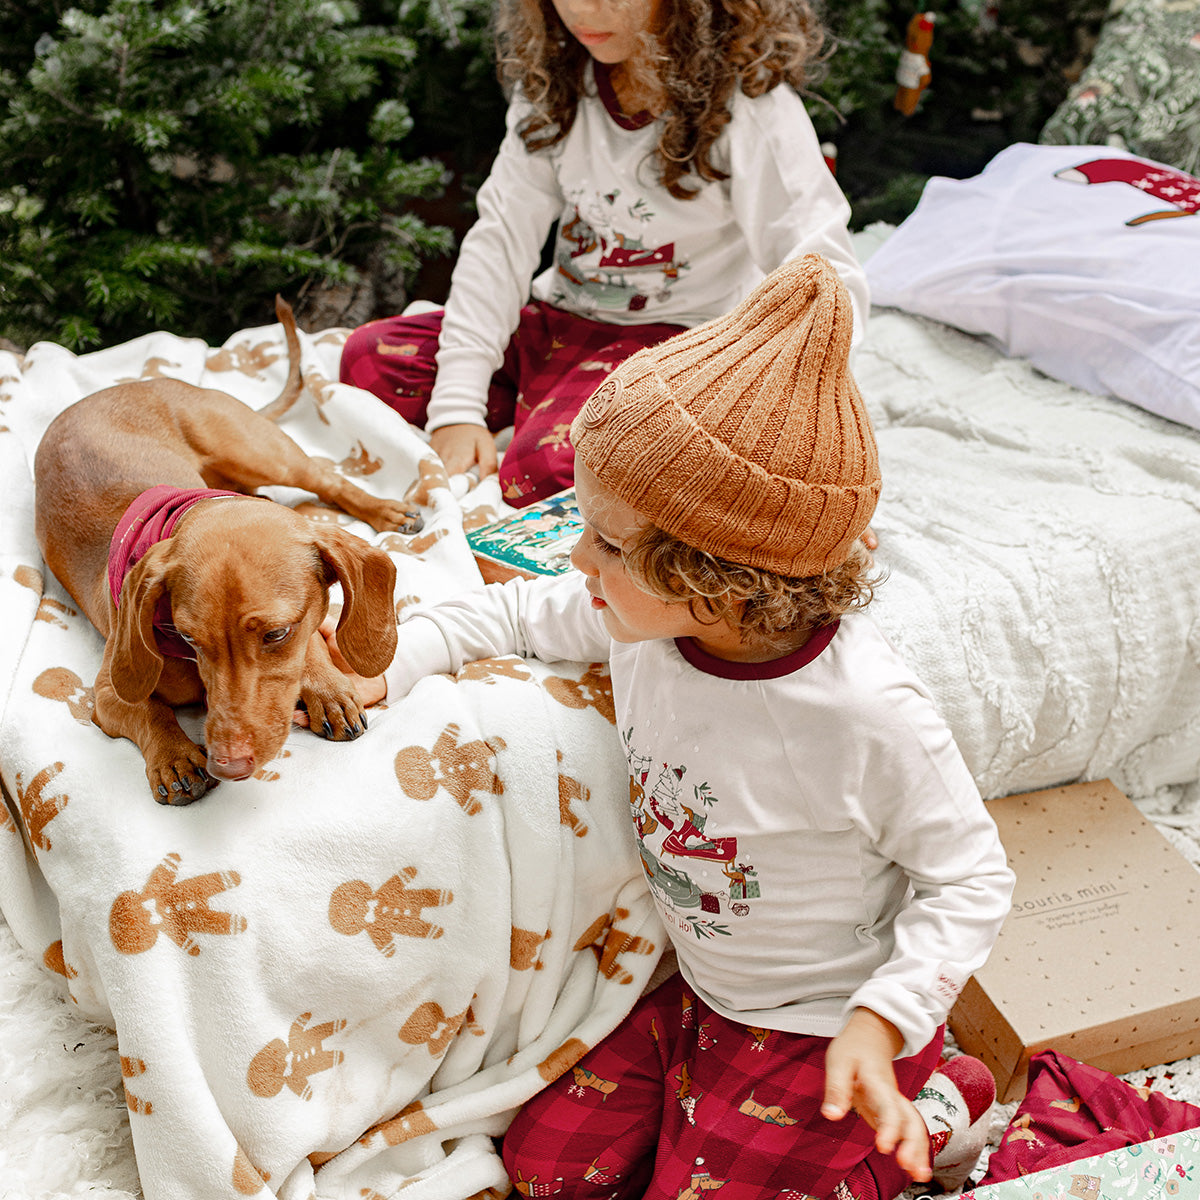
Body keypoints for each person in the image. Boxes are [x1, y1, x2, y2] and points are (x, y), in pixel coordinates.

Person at [344, 256, 1014, 1199]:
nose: (577, 557)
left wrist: (884, 1020)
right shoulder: (638, 623)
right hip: (700, 998)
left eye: (608, 544)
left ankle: (934, 1103)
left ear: (718, 574)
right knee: (545, 1170)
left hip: (825, 1031)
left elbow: (972, 878)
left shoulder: (865, 713)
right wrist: (385, 663)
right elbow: (508, 616)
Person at [339, 0, 868, 509]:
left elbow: (820, 269)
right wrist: (456, 410)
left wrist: (819, 444)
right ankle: (544, 408)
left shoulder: (749, 104)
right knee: (367, 359)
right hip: (557, 323)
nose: (581, 11)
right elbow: (501, 239)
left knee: (546, 471)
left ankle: (555, 421)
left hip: (669, 348)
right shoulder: (555, 83)